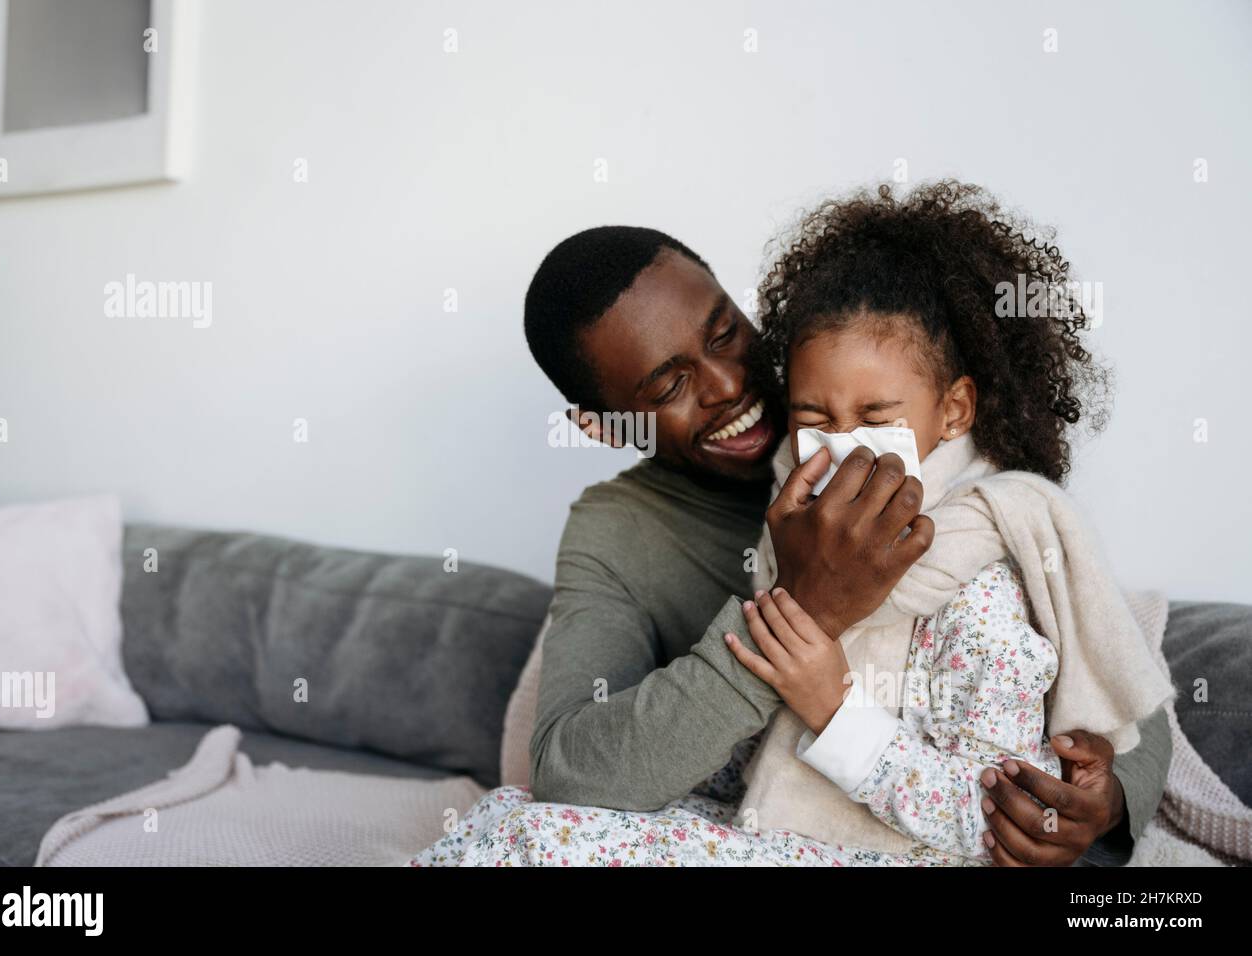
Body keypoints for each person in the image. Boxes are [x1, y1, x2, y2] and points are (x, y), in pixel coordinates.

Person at [411, 220, 1171, 866]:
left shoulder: (926, 446)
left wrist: (1105, 800)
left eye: (724, 333)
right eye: (669, 386)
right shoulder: (619, 531)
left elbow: (1092, 658)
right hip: (787, 819)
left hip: (904, 831)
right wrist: (803, 607)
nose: (728, 385)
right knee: (509, 825)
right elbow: (572, 771)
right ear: (608, 427)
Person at [722, 180, 1174, 864]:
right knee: (519, 822)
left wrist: (834, 706)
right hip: (769, 836)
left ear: (955, 412)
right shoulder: (786, 536)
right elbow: (749, 757)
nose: (843, 443)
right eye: (815, 419)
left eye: (876, 419)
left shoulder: (980, 580)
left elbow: (996, 820)